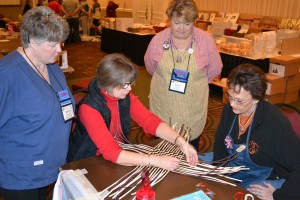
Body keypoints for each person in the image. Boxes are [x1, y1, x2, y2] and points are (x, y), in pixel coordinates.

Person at [67, 53, 198, 171]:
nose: (129, 88)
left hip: (115, 155)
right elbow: (111, 152)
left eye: (129, 83)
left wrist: (180, 141)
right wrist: (156, 160)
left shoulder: (124, 96)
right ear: (109, 84)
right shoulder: (89, 109)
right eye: (125, 84)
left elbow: (150, 121)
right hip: (88, 162)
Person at [0, 6, 74, 200]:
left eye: (60, 43)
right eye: (52, 44)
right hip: (20, 178)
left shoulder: (54, 69)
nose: (59, 50)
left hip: (51, 170)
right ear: (31, 41)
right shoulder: (7, 76)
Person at [210, 63, 300, 200]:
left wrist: (278, 196)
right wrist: (218, 172)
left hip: (260, 174)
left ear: (257, 98)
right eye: (230, 97)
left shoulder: (274, 123)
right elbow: (220, 144)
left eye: (239, 100)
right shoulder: (229, 111)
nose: (232, 104)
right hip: (232, 167)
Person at [144, 0, 222, 150]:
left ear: (194, 22)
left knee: (189, 152)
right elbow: (150, 67)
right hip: (163, 106)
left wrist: (195, 82)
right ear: (169, 19)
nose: (181, 28)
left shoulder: (205, 41)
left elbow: (215, 69)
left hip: (192, 108)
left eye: (187, 24)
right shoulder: (158, 40)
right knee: (161, 150)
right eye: (177, 22)